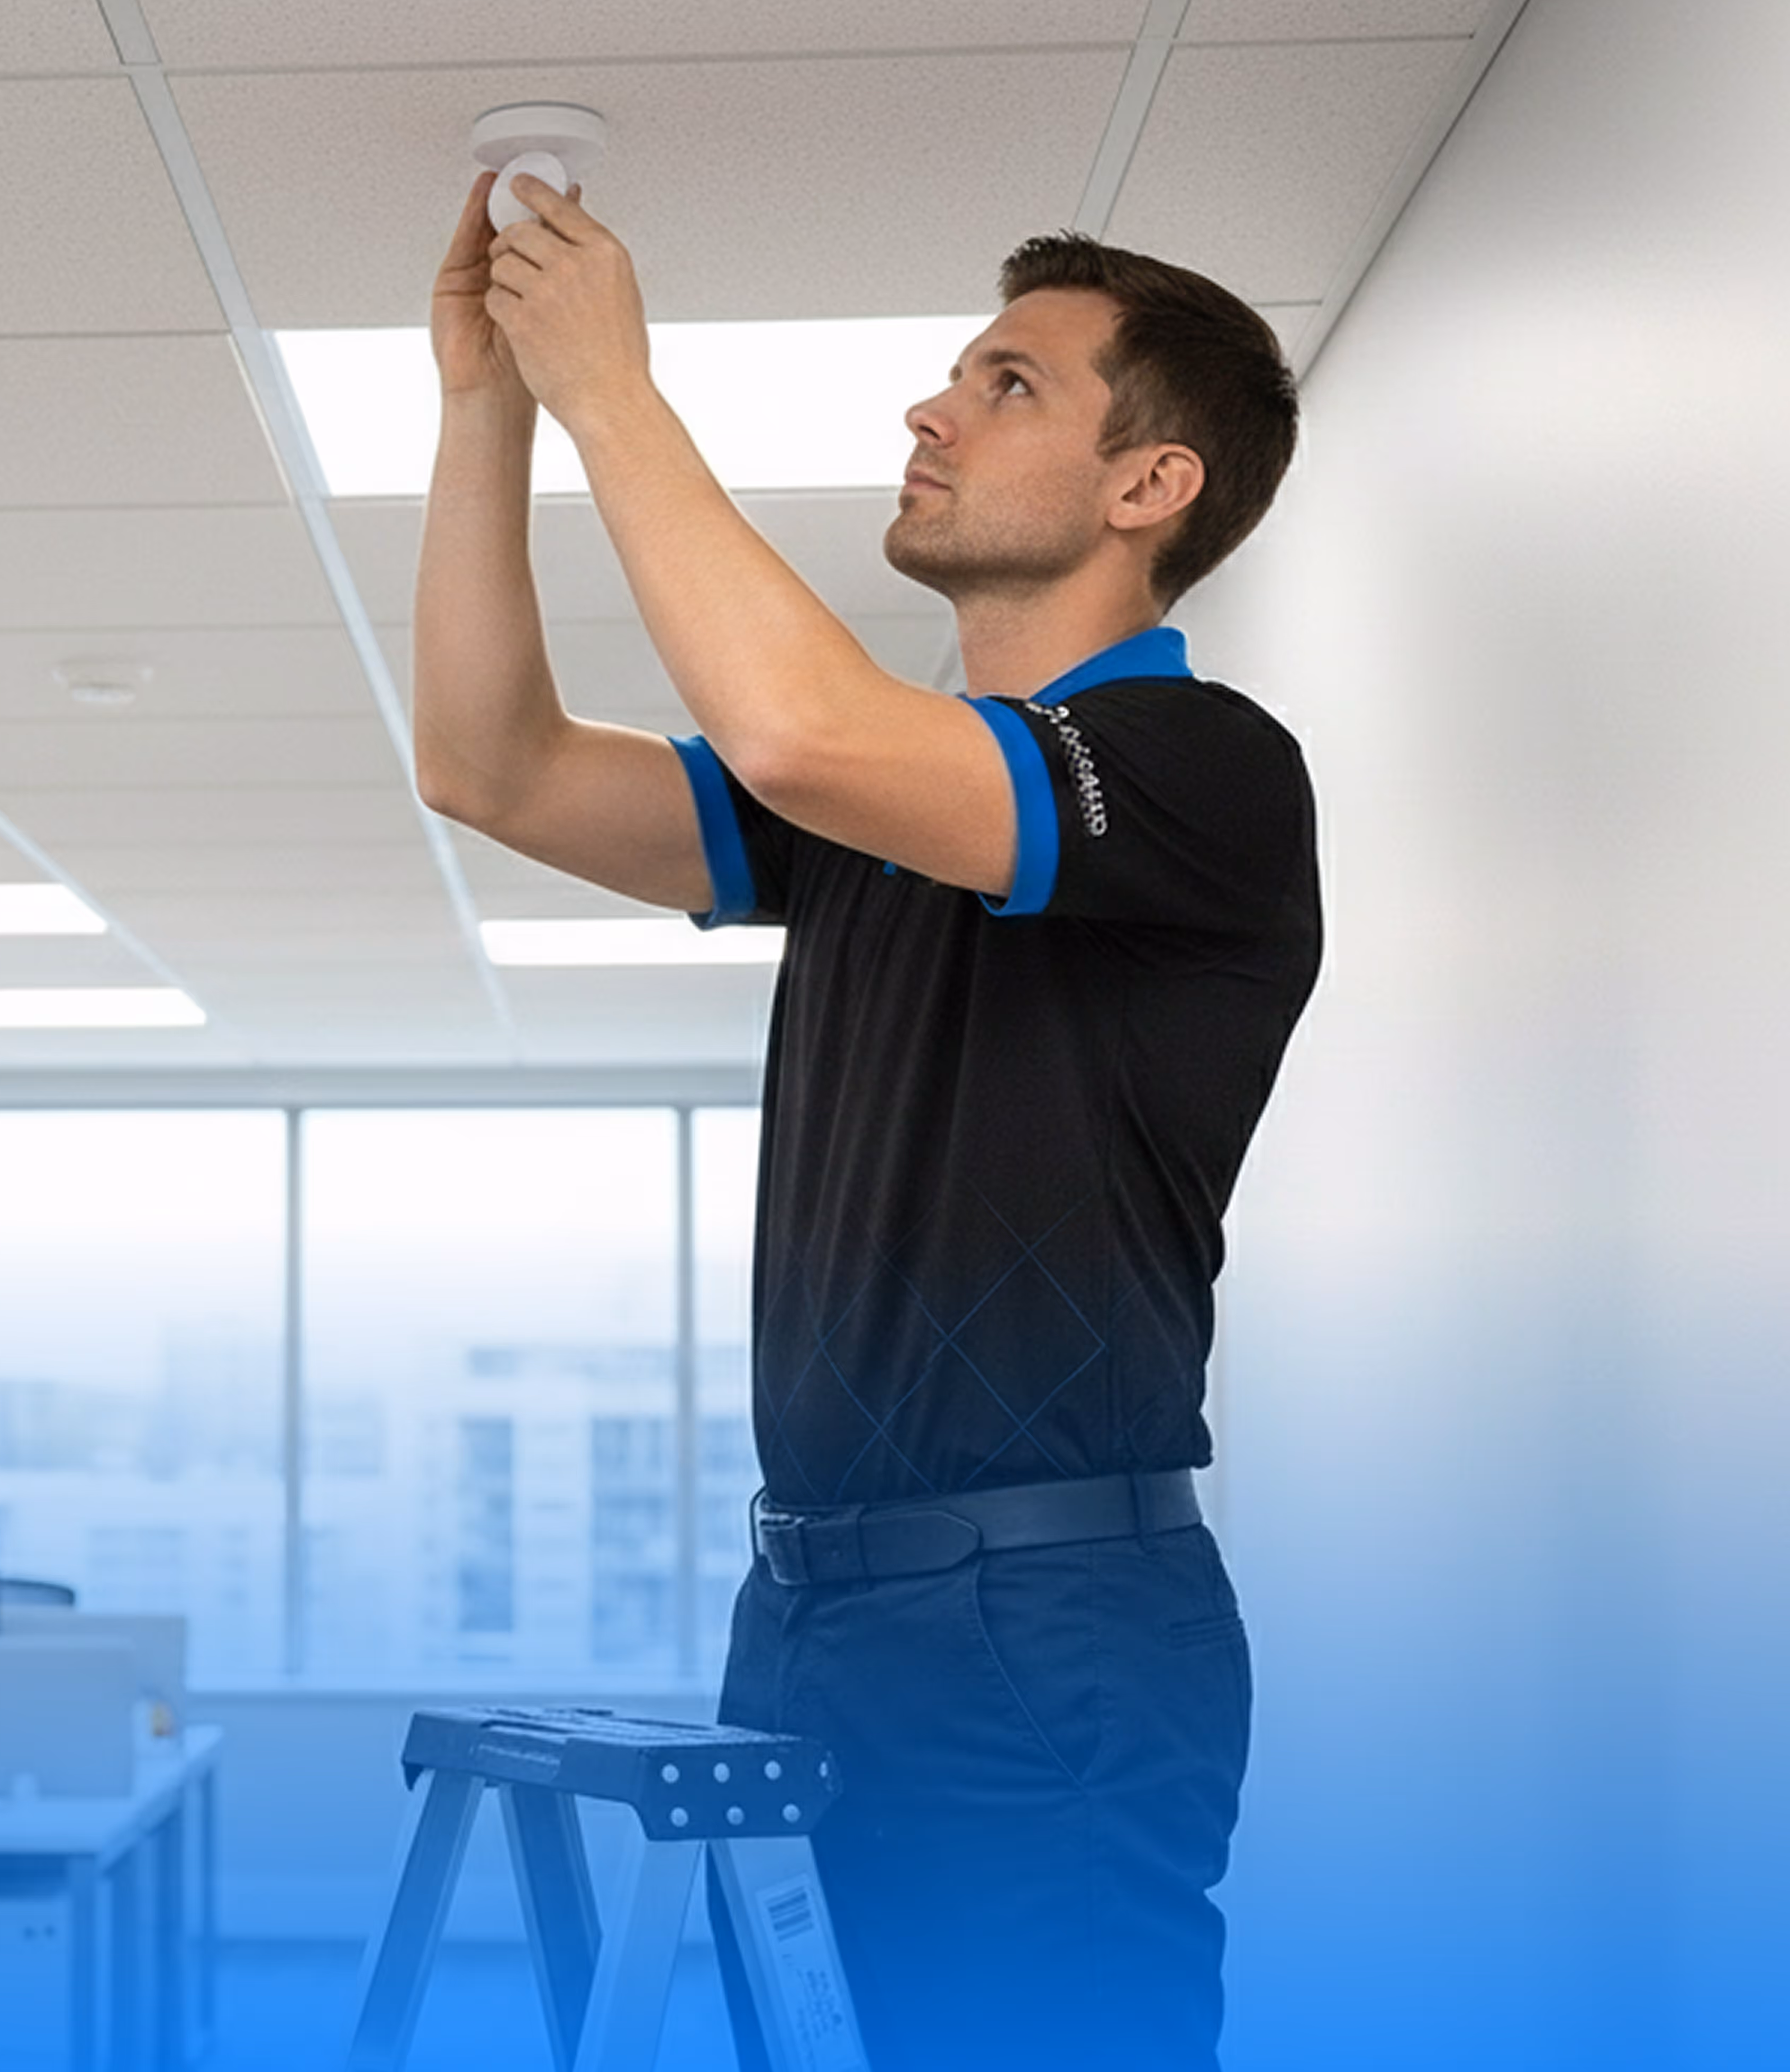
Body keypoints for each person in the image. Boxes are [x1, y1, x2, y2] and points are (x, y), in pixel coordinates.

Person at [410, 166, 1319, 2071]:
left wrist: (614, 398)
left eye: (1003, 386)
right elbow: (486, 764)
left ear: (1150, 488)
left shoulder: (1199, 770)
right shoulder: (866, 823)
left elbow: (804, 729)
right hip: (816, 1602)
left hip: (1048, 1615)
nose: (928, 411)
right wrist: (487, 404)